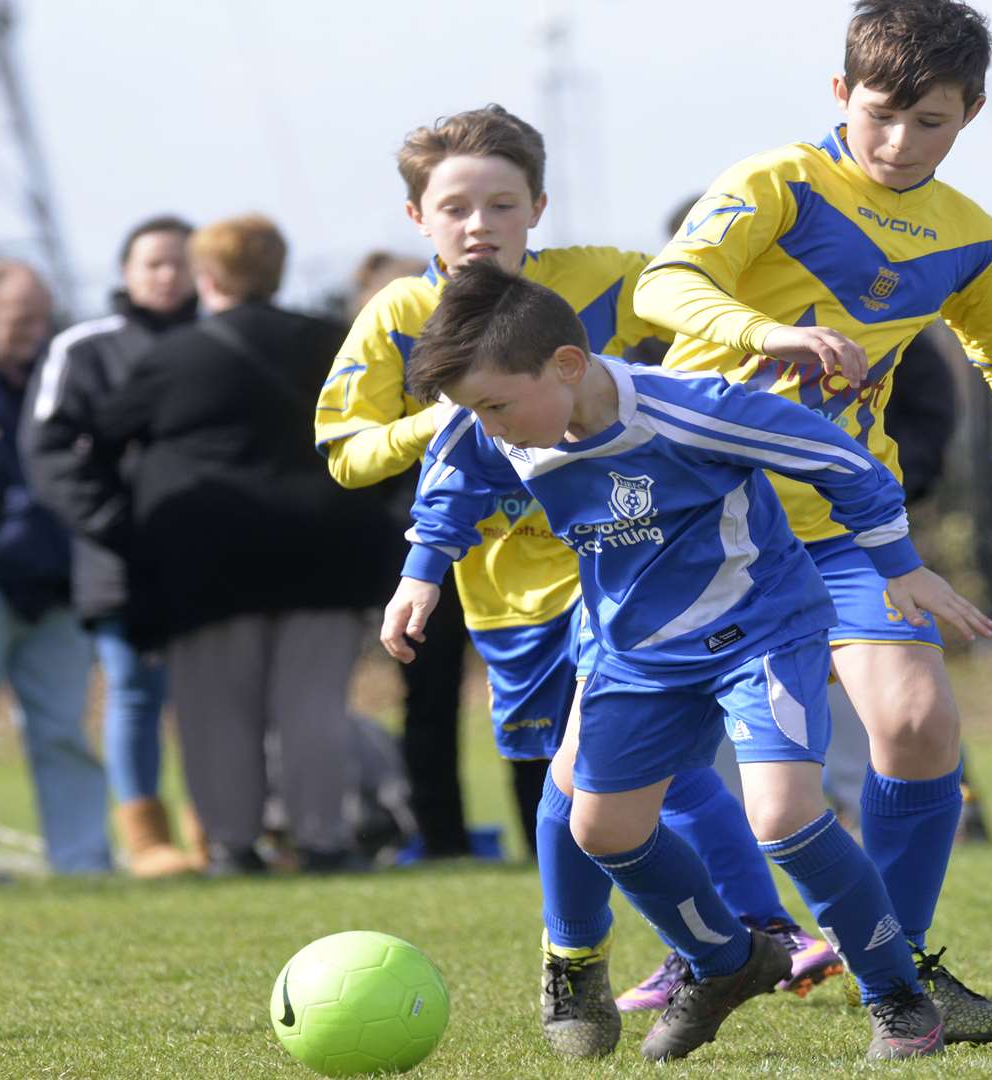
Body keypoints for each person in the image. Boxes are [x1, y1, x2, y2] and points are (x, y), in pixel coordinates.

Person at [311, 105, 840, 1056]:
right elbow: (344, 451)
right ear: (416, 218)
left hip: (630, 570)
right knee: (595, 780)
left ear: (537, 207)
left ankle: (646, 953)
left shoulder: (604, 278)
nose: (480, 223)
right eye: (456, 206)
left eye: (501, 203)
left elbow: (695, 323)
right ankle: (699, 946)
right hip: (509, 593)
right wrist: (452, 428)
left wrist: (767, 337)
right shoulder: (397, 314)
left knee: (635, 771)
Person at [632, 0, 992, 1043]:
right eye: (883, 114)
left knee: (920, 721)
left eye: (930, 122)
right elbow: (668, 285)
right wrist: (765, 333)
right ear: (841, 94)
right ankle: (710, 951)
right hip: (702, 516)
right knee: (625, 772)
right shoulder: (778, 184)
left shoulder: (969, 236)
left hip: (845, 521)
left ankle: (896, 968)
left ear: (971, 113)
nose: (900, 143)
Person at [386, 262, 992, 1060]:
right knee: (600, 826)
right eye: (476, 410)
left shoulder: (690, 410)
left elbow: (839, 461)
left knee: (781, 815)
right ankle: (726, 962)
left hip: (761, 633)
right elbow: (452, 479)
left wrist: (900, 564)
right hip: (636, 656)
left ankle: (898, 999)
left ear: (567, 364)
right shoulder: (494, 425)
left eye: (497, 405)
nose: (489, 426)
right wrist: (420, 575)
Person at [84, 214, 392, 874]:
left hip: (207, 555)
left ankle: (231, 841)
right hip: (325, 547)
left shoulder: (173, 357)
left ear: (208, 275)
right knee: (314, 704)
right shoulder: (331, 343)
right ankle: (322, 838)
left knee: (215, 708)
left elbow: (102, 436)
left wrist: (123, 521)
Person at [22, 215, 200, 878]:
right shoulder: (84, 348)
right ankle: (147, 837)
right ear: (126, 272)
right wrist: (114, 522)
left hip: (208, 563)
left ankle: (215, 829)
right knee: (132, 691)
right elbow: (46, 452)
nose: (166, 274)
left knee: (210, 698)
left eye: (179, 261)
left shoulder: (218, 340)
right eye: (152, 262)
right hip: (118, 559)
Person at [0, 260, 111, 874]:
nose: (37, 330)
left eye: (42, 316)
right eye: (22, 318)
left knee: (64, 732)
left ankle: (84, 861)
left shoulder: (58, 380)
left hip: (57, 589)